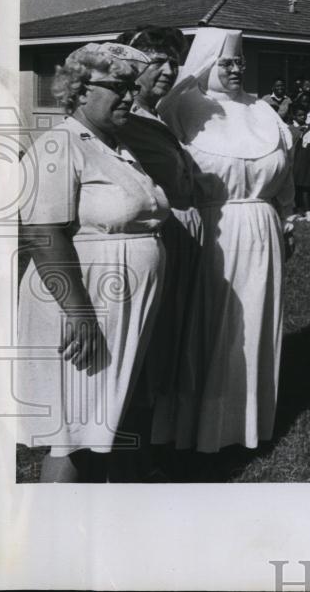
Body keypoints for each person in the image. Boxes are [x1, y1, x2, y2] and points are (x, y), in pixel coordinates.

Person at [16, 43, 169, 481]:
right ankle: (55, 537)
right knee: (76, 433)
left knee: (104, 423)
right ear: (81, 91)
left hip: (119, 304)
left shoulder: (113, 146)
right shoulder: (59, 145)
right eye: (116, 87)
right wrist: (81, 317)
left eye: (129, 88)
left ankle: (97, 524)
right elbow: (45, 235)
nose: (127, 97)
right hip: (84, 305)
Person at [159, 28, 295, 456]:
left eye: (239, 62)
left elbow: (285, 177)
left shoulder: (263, 111)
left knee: (254, 323)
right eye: (226, 63)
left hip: (262, 227)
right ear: (205, 65)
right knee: (211, 325)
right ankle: (200, 424)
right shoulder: (182, 108)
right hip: (211, 229)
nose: (236, 69)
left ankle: (246, 421)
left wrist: (288, 223)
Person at [114, 26, 206, 467]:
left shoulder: (156, 115)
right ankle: (129, 450)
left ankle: (154, 440)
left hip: (182, 238)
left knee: (169, 337)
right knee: (146, 341)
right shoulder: (124, 119)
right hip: (154, 238)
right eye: (157, 61)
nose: (169, 71)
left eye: (173, 62)